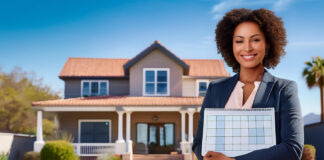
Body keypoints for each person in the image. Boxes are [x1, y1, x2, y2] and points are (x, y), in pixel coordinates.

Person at [192, 8, 304, 160]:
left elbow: (293, 149)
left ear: (268, 44)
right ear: (231, 46)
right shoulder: (215, 89)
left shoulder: (284, 90)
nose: (247, 47)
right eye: (239, 41)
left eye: (255, 39)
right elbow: (199, 142)